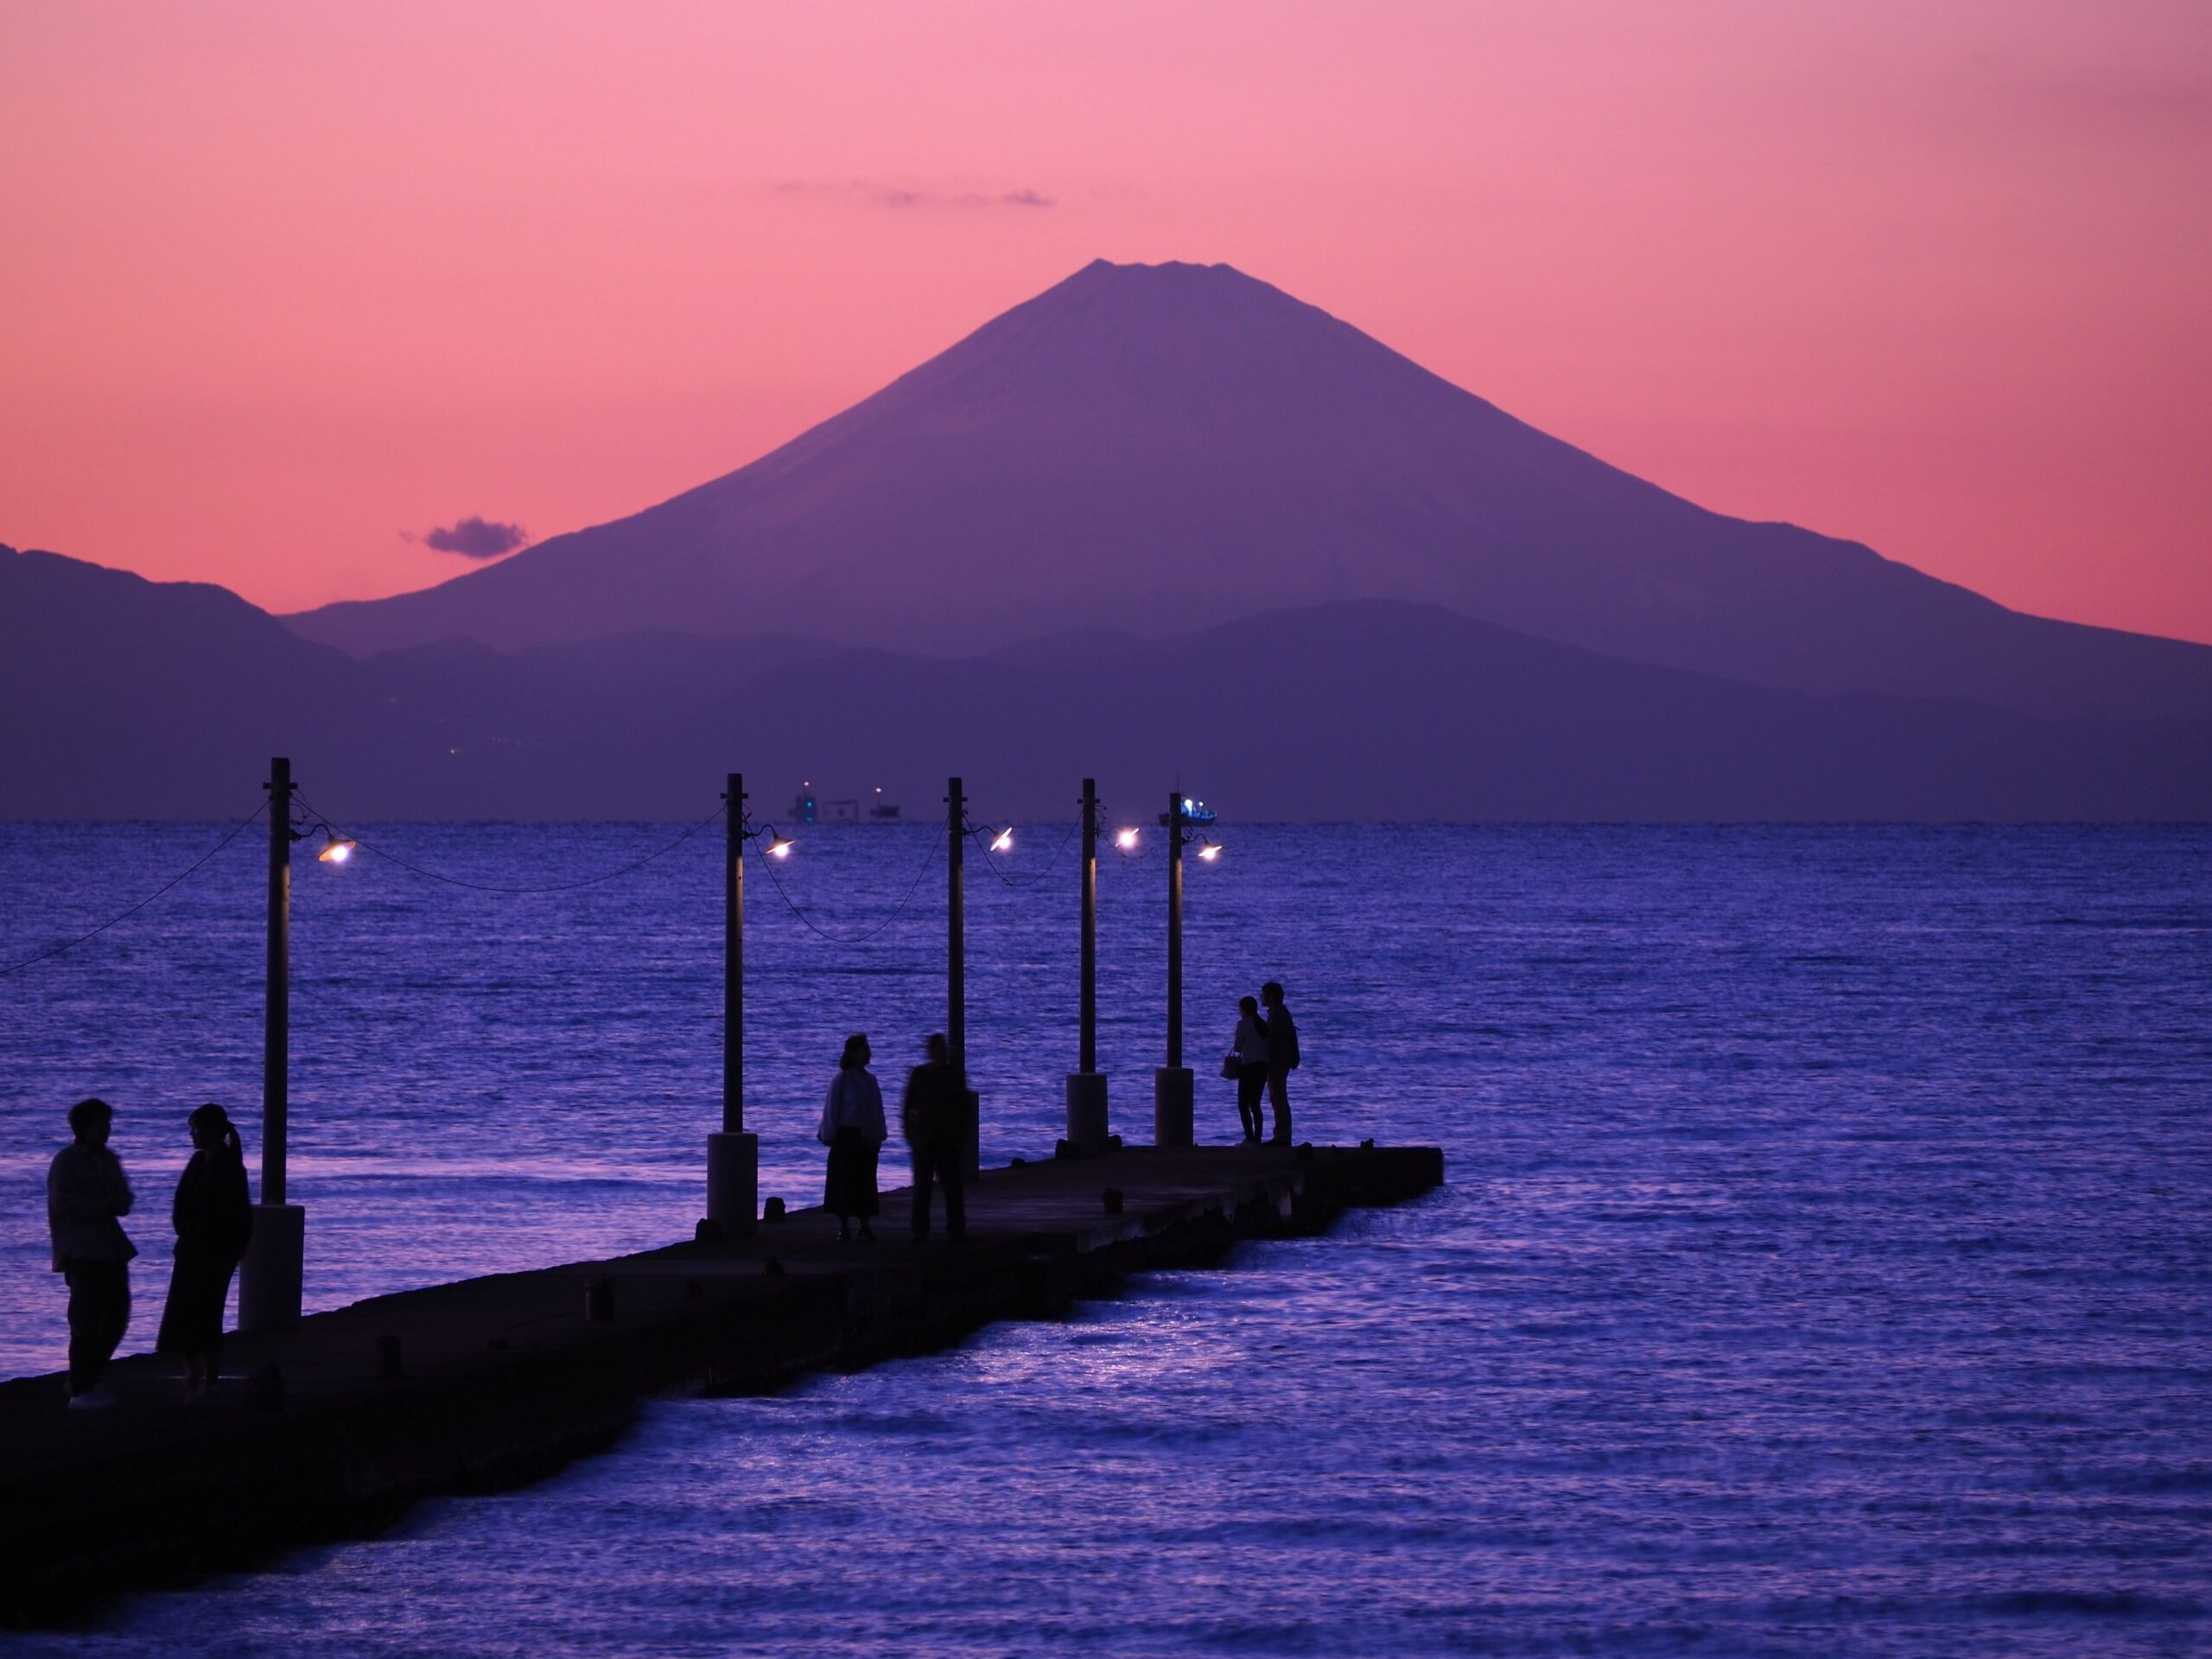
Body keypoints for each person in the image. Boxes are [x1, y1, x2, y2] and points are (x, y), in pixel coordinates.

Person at [156, 1103, 255, 1400]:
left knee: (207, 1315)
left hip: (215, 1254)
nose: (192, 1135)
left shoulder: (230, 1168)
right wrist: (185, 1230)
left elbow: (239, 1216)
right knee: (181, 1312)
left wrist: (231, 1254)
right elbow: (181, 1203)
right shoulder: (198, 1163)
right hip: (191, 1249)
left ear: (212, 1131)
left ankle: (209, 1377)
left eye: (196, 1130)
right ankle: (193, 1372)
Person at [48, 1097, 137, 1409]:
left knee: (117, 1316)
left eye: (106, 1124)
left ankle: (86, 1376)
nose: (105, 1130)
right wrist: (103, 1205)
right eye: (99, 1124)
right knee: (85, 1320)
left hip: (111, 1249)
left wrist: (115, 1203)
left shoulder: (109, 1159)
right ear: (82, 1128)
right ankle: (81, 1386)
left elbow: (124, 1198)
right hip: (82, 1250)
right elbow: (62, 1204)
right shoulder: (66, 1161)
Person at [818, 1033, 887, 1242]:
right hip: (846, 1136)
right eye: (864, 1049)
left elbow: (877, 1110)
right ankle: (844, 1226)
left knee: (866, 1181)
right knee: (845, 1182)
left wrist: (879, 1134)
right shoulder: (841, 1079)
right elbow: (832, 1109)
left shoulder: (870, 1080)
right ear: (853, 1053)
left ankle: (864, 1225)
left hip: (865, 1136)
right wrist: (829, 1134)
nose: (868, 1053)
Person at [902, 1033, 968, 1242]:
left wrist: (960, 1136)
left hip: (946, 1140)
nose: (943, 1053)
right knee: (923, 1187)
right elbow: (908, 1105)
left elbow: (963, 1108)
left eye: (944, 1049)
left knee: (952, 1187)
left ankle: (955, 1229)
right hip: (925, 1139)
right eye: (941, 1049)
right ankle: (920, 1230)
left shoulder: (953, 1075)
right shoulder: (921, 1075)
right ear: (932, 1051)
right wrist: (911, 1134)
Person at [1260, 981, 1299, 1145]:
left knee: (1278, 1098)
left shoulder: (1275, 1015)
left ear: (1271, 996)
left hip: (1277, 1061)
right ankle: (1283, 1135)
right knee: (1279, 1097)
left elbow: (1272, 1042)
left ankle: (1282, 1136)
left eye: (1264, 994)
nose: (1261, 997)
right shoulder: (1282, 1012)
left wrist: (1264, 1060)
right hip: (1283, 1060)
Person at [1230, 995, 1271, 1142]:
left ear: (1244, 1009)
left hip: (1248, 1066)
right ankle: (1258, 1137)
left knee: (1243, 1103)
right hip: (1263, 1066)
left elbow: (1237, 1047)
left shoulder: (1243, 1024)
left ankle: (1249, 1137)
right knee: (1255, 1104)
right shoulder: (1263, 1024)